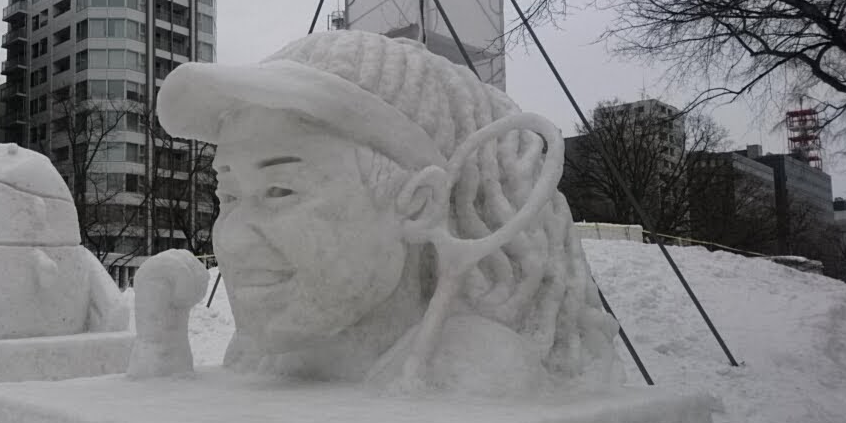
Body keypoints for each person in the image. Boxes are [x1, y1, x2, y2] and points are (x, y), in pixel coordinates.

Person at [155, 30, 619, 396]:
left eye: (280, 190)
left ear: (417, 204)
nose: (233, 240)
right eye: (228, 198)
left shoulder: (469, 373)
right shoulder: (261, 354)